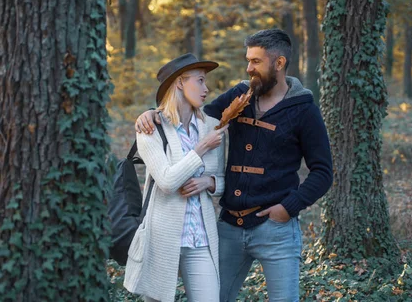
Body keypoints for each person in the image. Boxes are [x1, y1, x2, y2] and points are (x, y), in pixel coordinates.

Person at [136, 29, 333, 302]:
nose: (249, 68)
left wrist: (289, 207)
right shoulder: (241, 93)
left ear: (279, 63)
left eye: (256, 61)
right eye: (248, 60)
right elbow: (194, 115)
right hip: (229, 228)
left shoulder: (303, 109)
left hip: (276, 230)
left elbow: (323, 172)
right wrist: (152, 113)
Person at [124, 53, 229, 302]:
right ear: (180, 83)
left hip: (200, 238)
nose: (206, 88)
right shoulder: (150, 128)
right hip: (161, 238)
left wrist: (210, 182)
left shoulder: (212, 126)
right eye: (200, 80)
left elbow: (223, 180)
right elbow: (167, 181)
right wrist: (201, 148)